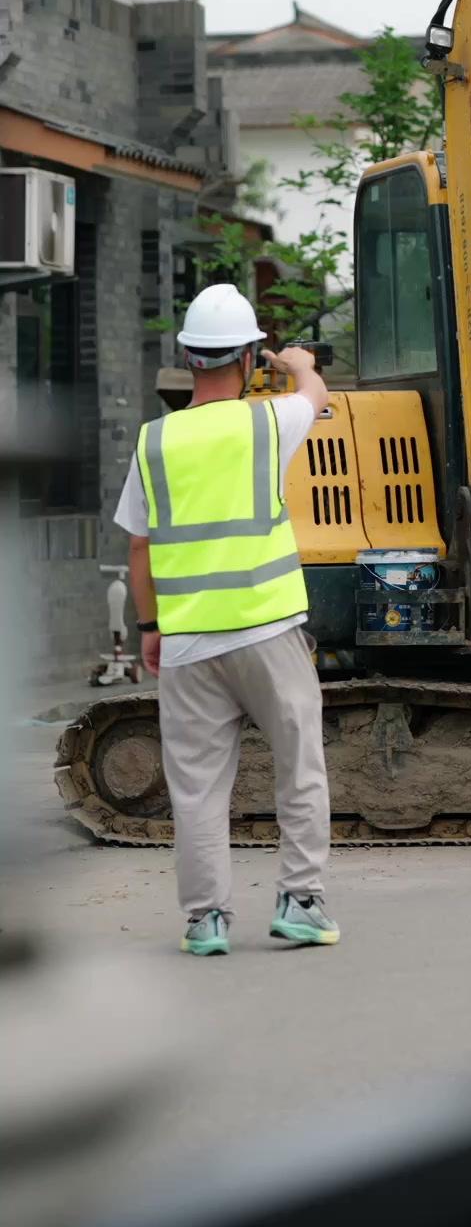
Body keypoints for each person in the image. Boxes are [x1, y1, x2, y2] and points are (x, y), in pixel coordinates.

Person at [114, 284, 338, 958]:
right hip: (268, 630)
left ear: (186, 356)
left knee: (196, 787)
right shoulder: (269, 422)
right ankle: (300, 901)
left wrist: (151, 628)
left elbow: (138, 546)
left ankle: (206, 919)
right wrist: (294, 362)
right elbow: (318, 394)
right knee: (299, 765)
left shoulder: (155, 442)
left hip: (186, 644)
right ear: (247, 357)